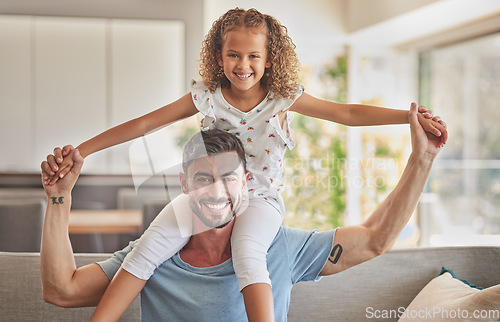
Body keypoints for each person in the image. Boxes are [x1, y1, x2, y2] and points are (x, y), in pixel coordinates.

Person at [41, 7, 447, 321]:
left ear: (269, 59)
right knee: (145, 251)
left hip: (260, 202)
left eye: (254, 55)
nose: (243, 65)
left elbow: (348, 115)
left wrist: (408, 118)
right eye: (233, 54)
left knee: (249, 254)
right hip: (204, 195)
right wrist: (83, 151)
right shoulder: (207, 96)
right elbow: (146, 123)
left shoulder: (282, 98)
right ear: (219, 56)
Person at [41, 106, 445, 321]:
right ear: (184, 185)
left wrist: (421, 160)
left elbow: (375, 239)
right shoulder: (153, 254)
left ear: (246, 181)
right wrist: (59, 198)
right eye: (203, 179)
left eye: (228, 179)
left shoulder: (279, 247)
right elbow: (62, 291)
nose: (217, 192)